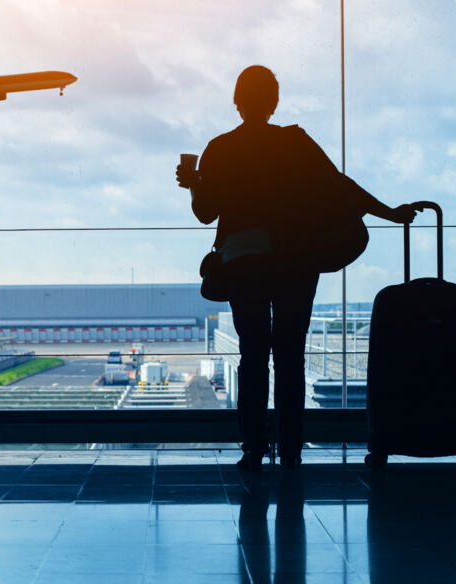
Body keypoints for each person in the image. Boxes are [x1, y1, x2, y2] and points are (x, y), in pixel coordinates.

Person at [177, 65, 416, 471]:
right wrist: (388, 213)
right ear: (274, 102)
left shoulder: (219, 148)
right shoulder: (295, 142)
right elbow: (340, 185)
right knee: (290, 357)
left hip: (243, 262)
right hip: (294, 261)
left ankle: (253, 447)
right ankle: (290, 449)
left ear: (237, 102)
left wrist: (195, 182)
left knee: (253, 356)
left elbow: (204, 213)